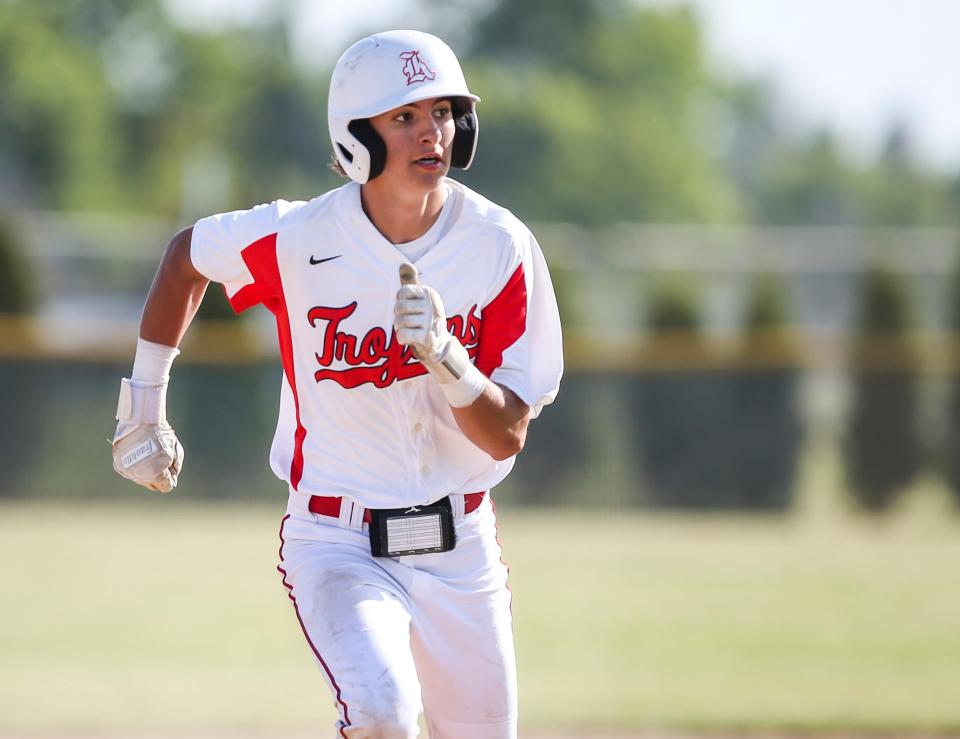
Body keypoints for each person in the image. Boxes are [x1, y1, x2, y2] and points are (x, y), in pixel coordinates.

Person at [111, 29, 563, 739]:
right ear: (358, 136)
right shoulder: (297, 238)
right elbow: (184, 259)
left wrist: (446, 356)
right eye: (404, 116)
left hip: (460, 543)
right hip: (337, 540)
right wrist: (143, 405)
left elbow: (508, 430)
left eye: (443, 112)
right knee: (383, 713)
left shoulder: (500, 245)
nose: (430, 133)